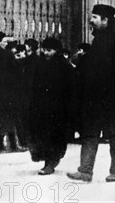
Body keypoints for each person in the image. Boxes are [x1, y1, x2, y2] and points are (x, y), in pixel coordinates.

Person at [67, 4, 115, 183]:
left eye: (95, 17)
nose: (91, 20)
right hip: (95, 98)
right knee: (90, 134)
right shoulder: (97, 42)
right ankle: (85, 171)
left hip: (112, 98)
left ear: (106, 20)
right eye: (92, 16)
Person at [27, 38, 75, 175]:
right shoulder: (39, 64)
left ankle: (50, 163)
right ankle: (46, 160)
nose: (46, 53)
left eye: (50, 50)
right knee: (42, 135)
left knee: (54, 137)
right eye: (44, 49)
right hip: (41, 107)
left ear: (57, 51)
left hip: (58, 109)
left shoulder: (64, 66)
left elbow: (71, 89)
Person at [0, 31, 21, 152]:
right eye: (5, 41)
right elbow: (15, 71)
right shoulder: (7, 54)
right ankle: (13, 145)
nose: (6, 43)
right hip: (7, 91)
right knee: (9, 118)